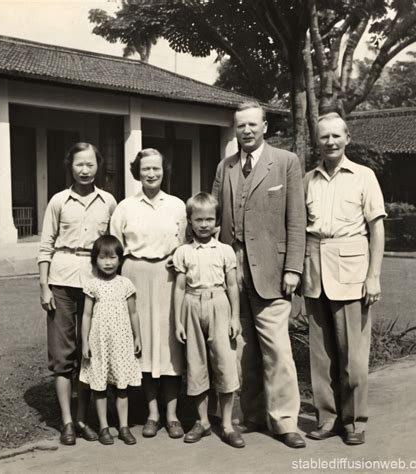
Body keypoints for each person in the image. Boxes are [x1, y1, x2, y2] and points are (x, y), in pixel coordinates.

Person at [212, 101, 307, 449]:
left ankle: (284, 422)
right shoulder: (226, 166)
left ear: (265, 126)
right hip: (232, 270)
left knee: (277, 349)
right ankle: (253, 414)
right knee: (244, 348)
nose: (247, 131)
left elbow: (296, 220)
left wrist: (293, 268)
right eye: (241, 126)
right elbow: (214, 215)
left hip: (272, 271)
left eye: (253, 124)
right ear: (235, 129)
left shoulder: (286, 162)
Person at [301, 112, 386, 446]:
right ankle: (327, 418)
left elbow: (376, 229)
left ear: (347, 138)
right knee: (321, 355)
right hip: (315, 271)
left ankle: (354, 421)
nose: (330, 142)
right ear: (317, 141)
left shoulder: (364, 176)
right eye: (324, 136)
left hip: (351, 271)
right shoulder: (308, 180)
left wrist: (373, 276)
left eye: (336, 135)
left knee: (353, 356)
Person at [38, 142, 117, 445]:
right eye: (79, 164)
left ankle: (83, 419)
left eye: (90, 164)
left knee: (89, 352)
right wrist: (44, 286)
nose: (85, 170)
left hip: (95, 284)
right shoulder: (59, 201)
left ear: (99, 166)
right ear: (70, 166)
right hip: (61, 281)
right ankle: (67, 422)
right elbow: (45, 246)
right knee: (62, 354)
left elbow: (113, 246)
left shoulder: (108, 202)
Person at [110, 148, 187, 439]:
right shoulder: (125, 207)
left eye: (156, 168)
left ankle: (173, 414)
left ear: (164, 171)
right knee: (142, 345)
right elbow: (114, 248)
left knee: (169, 346)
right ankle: (152, 413)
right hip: (135, 277)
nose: (151, 174)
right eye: (145, 169)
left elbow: (185, 244)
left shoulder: (177, 205)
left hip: (168, 278)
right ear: (137, 173)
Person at [173, 192, 245, 449]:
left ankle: (226, 424)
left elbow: (233, 285)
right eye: (198, 219)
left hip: (219, 304)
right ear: (190, 221)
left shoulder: (225, 251)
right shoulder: (183, 252)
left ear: (217, 222)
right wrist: (178, 322)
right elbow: (179, 288)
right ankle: (202, 421)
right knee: (196, 364)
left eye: (209, 219)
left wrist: (234, 317)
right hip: (192, 304)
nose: (204, 224)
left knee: (225, 364)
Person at [80, 235, 142, 446]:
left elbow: (133, 313)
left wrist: (137, 336)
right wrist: (85, 341)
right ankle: (104, 427)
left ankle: (123, 427)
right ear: (95, 260)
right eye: (102, 258)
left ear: (120, 259)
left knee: (121, 386)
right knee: (99, 386)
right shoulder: (92, 285)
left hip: (121, 341)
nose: (108, 263)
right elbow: (86, 315)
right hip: (99, 342)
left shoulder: (125, 284)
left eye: (113, 257)